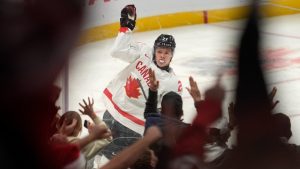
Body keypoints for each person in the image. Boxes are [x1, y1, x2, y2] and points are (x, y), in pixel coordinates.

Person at [101, 4, 182, 159]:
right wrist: (126, 28)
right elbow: (117, 51)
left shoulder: (172, 83)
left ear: (172, 55)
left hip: (132, 126)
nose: (162, 56)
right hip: (112, 110)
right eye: (159, 51)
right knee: (96, 152)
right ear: (154, 51)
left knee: (116, 161)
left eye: (167, 53)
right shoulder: (144, 53)